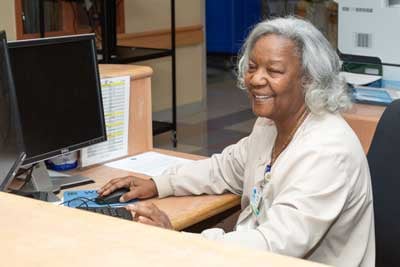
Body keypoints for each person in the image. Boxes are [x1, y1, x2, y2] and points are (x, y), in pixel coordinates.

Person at [98, 17, 375, 266]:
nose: (256, 79)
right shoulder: (270, 124)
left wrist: (181, 241)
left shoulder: (328, 151)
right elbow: (224, 168)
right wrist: (159, 183)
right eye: (252, 67)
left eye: (274, 71)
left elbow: (275, 244)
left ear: (309, 79)